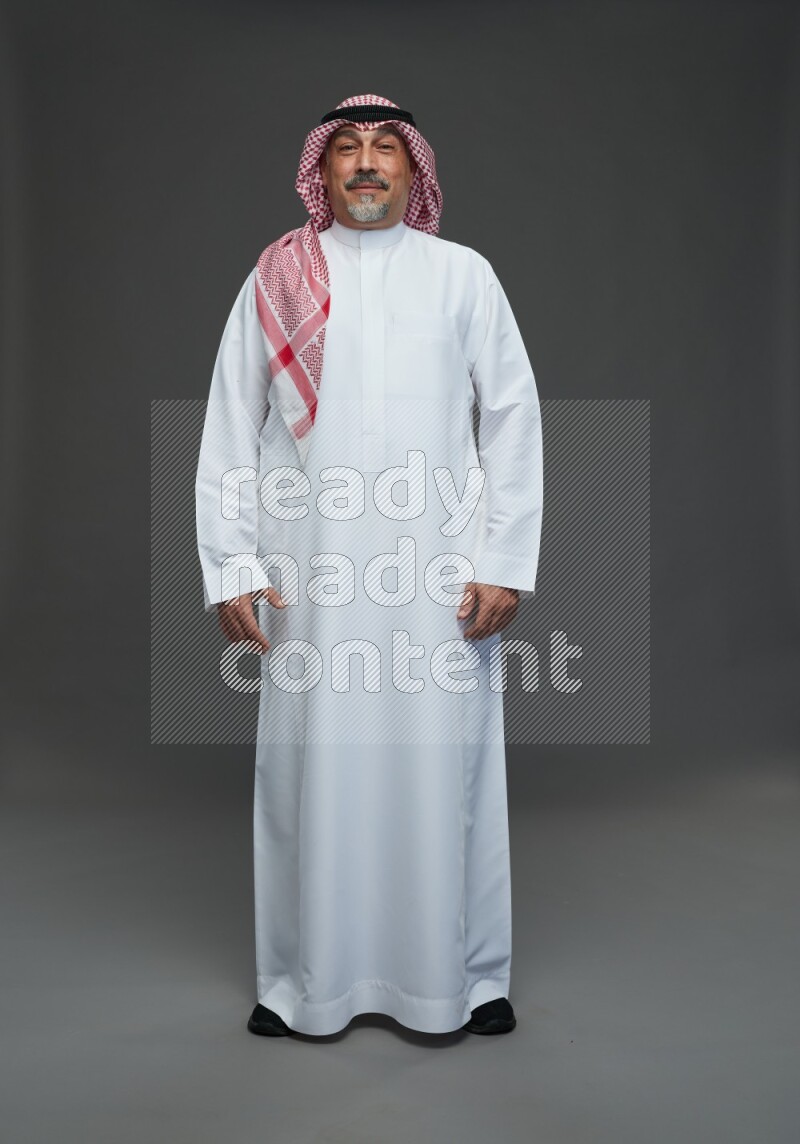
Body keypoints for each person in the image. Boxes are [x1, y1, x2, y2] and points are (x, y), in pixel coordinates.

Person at [195, 94, 543, 1038]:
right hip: (311, 570)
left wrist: (505, 560)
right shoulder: (279, 280)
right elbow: (233, 422)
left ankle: (467, 979)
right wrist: (229, 564)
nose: (365, 163)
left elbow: (510, 419)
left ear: (414, 170)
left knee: (451, 768)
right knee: (308, 765)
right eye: (346, 147)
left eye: (385, 147)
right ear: (322, 168)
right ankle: (300, 982)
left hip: (439, 570)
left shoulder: (463, 277)